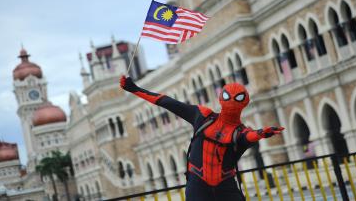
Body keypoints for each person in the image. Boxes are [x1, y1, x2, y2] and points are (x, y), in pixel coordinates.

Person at [120, 76, 284, 201]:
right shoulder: (204, 116)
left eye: (238, 98)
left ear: (244, 102)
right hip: (199, 182)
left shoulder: (237, 130)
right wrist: (133, 88)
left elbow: (248, 137)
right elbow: (167, 102)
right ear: (221, 98)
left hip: (224, 184)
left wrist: (261, 133)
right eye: (228, 97)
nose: (232, 101)